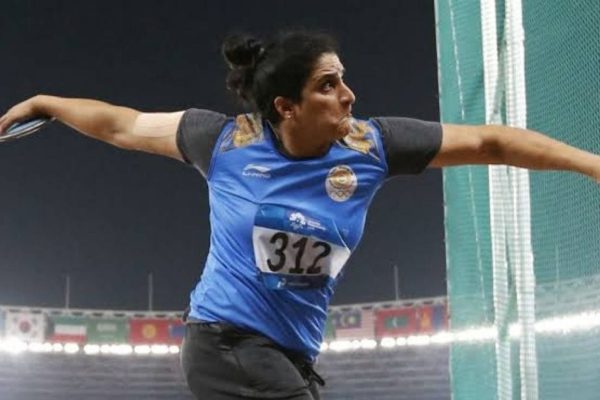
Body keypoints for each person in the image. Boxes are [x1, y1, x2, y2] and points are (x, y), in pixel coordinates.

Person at [1, 30, 599, 400]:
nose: (349, 95)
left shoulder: (373, 146)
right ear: (287, 106)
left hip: (291, 356)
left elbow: (493, 142)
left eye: (344, 79)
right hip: (226, 344)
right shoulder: (224, 141)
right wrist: (46, 102)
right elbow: (123, 124)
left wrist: (592, 164)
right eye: (328, 85)